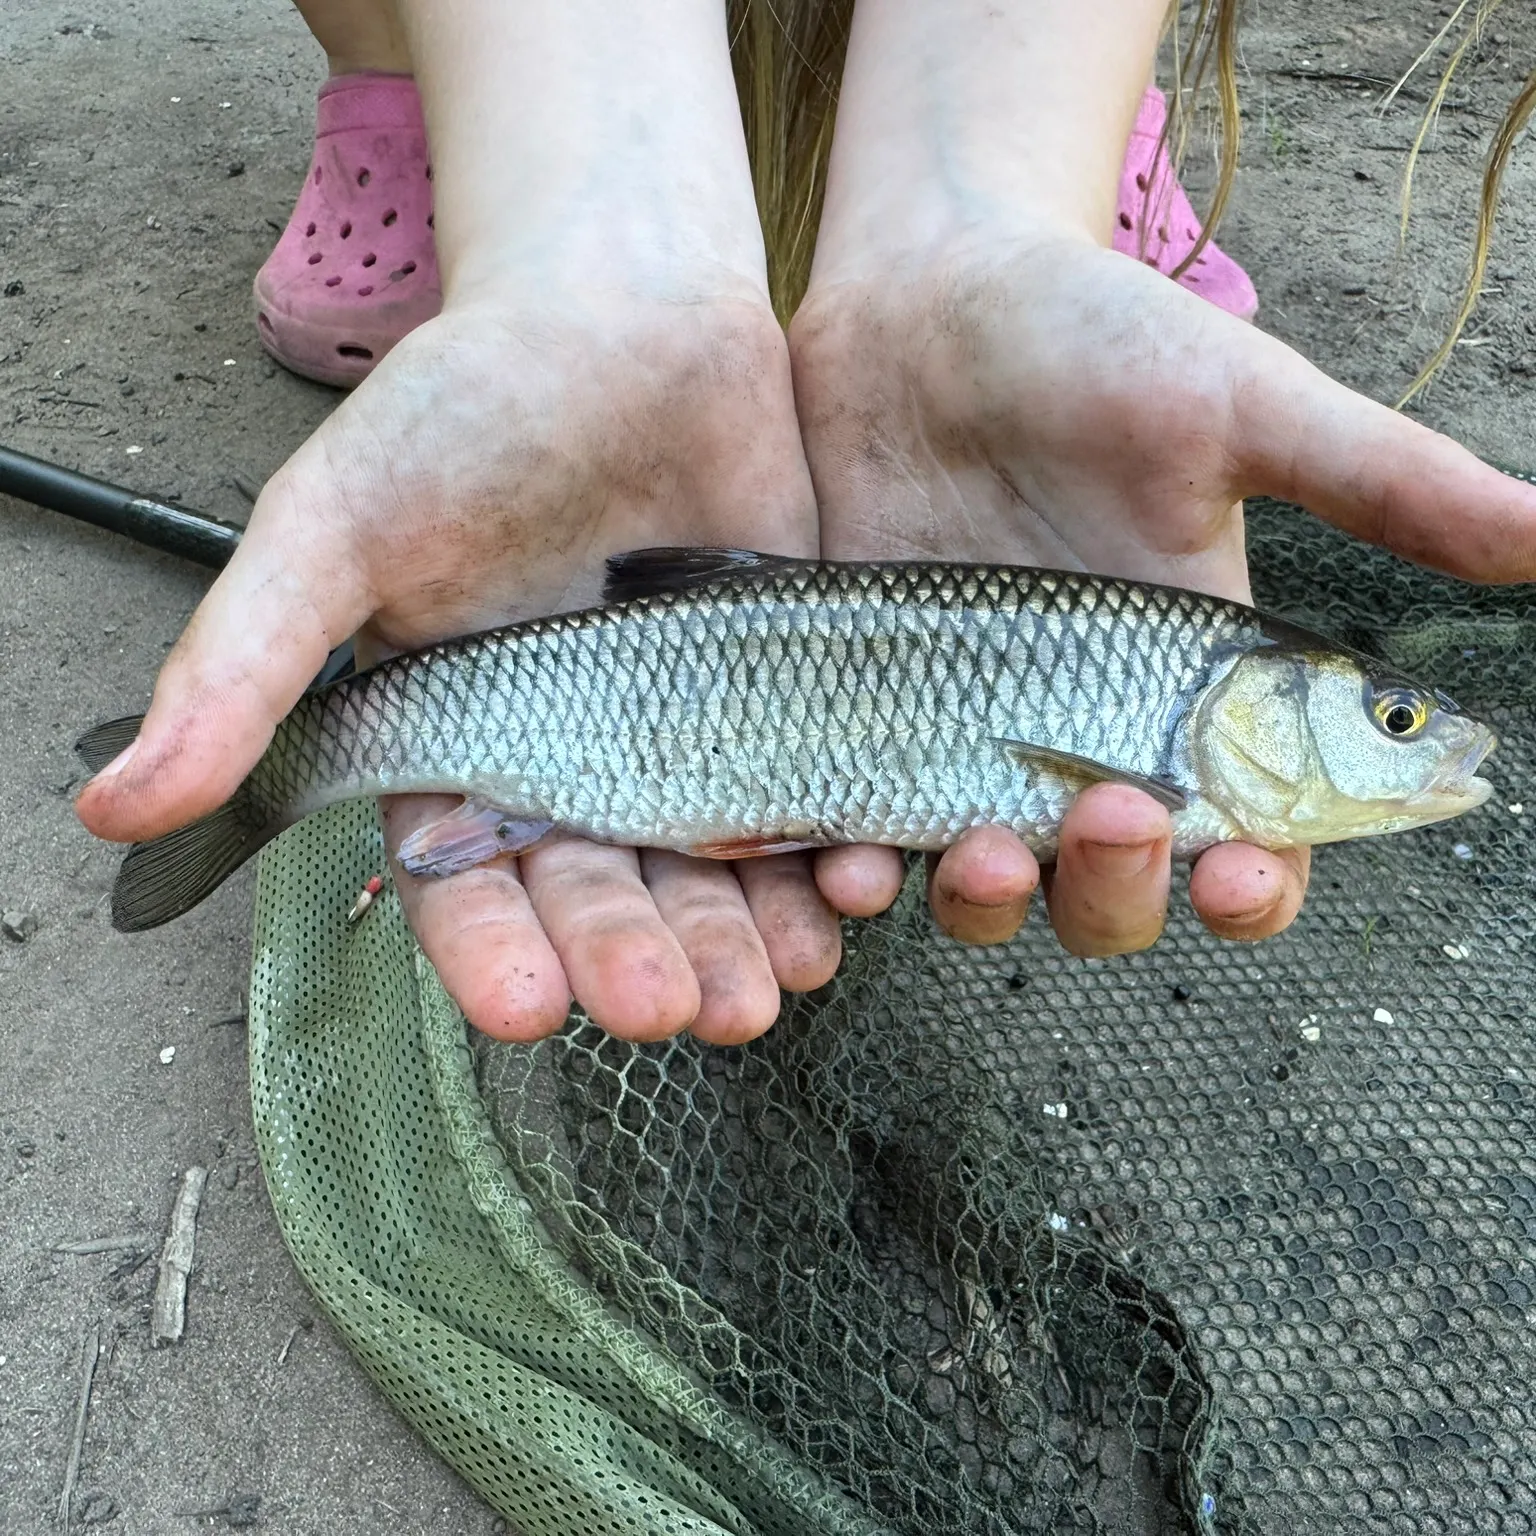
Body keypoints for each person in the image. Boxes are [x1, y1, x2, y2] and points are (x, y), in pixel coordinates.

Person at [75, 0, 1536, 1051]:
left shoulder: (1174, 697)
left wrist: (976, 226)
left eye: (1397, 716)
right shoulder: (1171, 684)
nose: (1423, 735)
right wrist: (589, 261)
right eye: (1396, 719)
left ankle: (1042, 165)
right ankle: (445, 129)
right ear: (1269, 695)